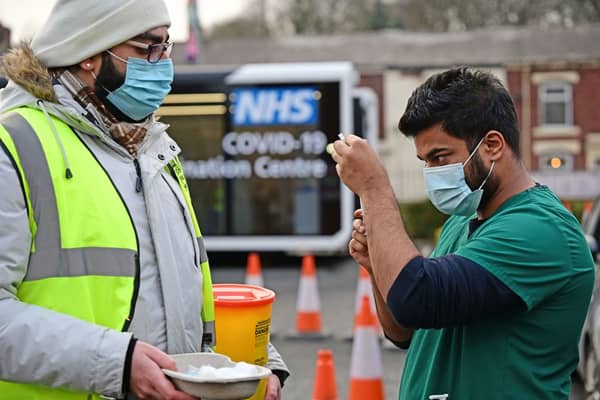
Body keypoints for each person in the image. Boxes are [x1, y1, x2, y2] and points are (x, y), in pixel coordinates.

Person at [0, 1, 288, 399]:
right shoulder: (12, 144)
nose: (162, 66)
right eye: (147, 49)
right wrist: (116, 363)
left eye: (166, 48)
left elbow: (172, 291)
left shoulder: (153, 149)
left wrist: (253, 360)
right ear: (88, 53)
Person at [331, 67, 594, 399]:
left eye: (440, 157)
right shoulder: (462, 220)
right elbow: (404, 330)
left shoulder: (542, 229)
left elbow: (419, 300)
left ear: (493, 145)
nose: (432, 172)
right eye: (424, 160)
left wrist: (373, 188)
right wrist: (377, 266)